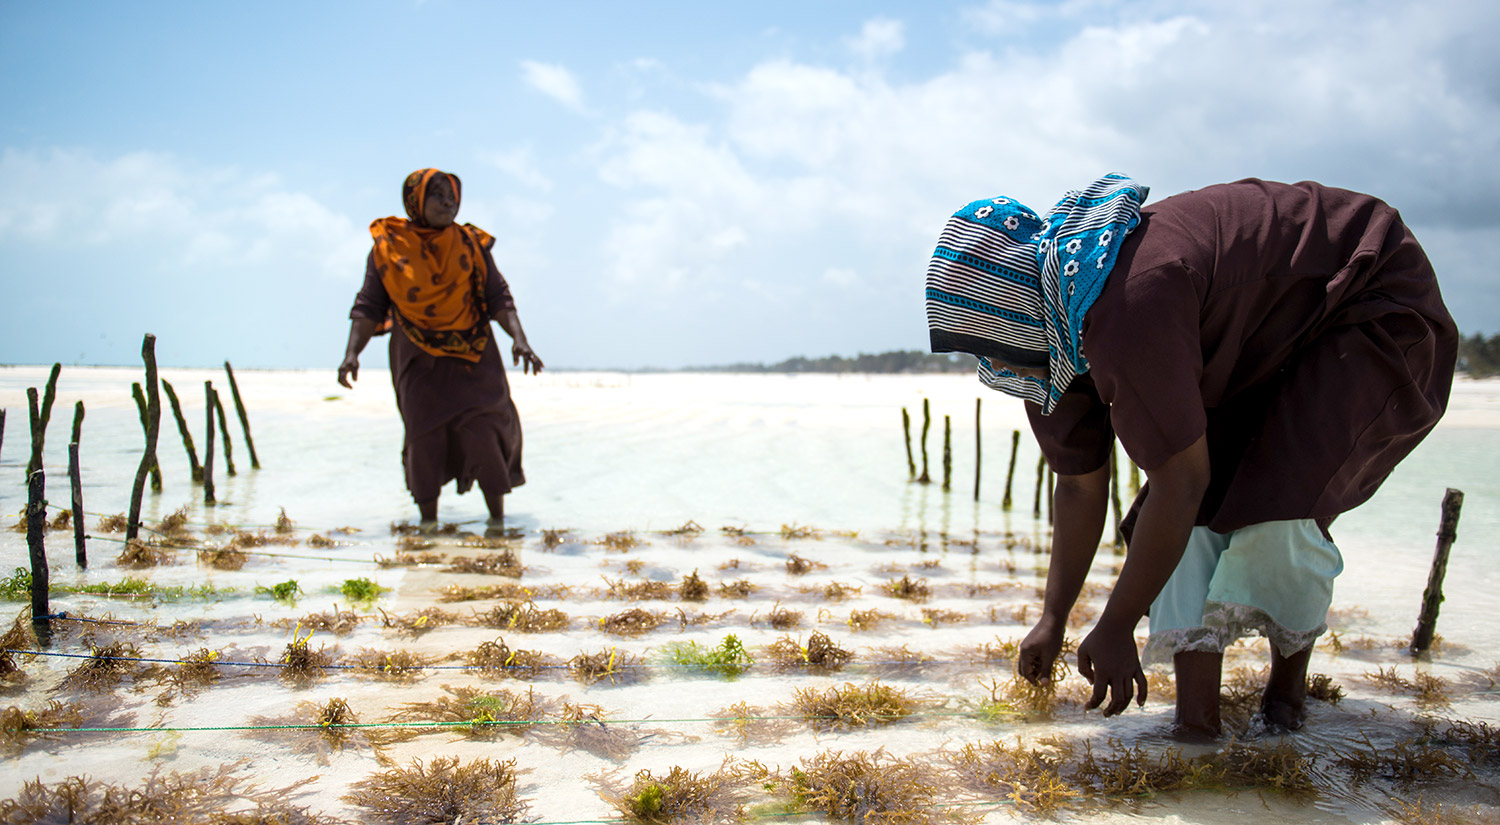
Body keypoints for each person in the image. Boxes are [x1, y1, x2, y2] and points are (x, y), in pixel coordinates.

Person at [925, 174, 1457, 738]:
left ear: (1012, 310)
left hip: (1369, 296)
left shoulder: (1130, 302)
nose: (997, 366)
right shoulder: (1051, 342)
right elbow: (1081, 485)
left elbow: (1181, 483)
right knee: (1192, 513)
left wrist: (1117, 624)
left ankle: (1285, 696)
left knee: (1278, 506)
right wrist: (1053, 619)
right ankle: (1196, 724)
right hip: (1254, 343)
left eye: (990, 343)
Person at [339, 168, 543, 532]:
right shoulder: (389, 248)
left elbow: (498, 295)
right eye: (437, 195)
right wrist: (352, 352)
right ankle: (427, 531)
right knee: (424, 438)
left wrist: (519, 338)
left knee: (486, 432)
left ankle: (499, 526)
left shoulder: (469, 244)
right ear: (415, 200)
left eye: (451, 196)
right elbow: (369, 305)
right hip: (418, 363)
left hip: (476, 359)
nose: (447, 202)